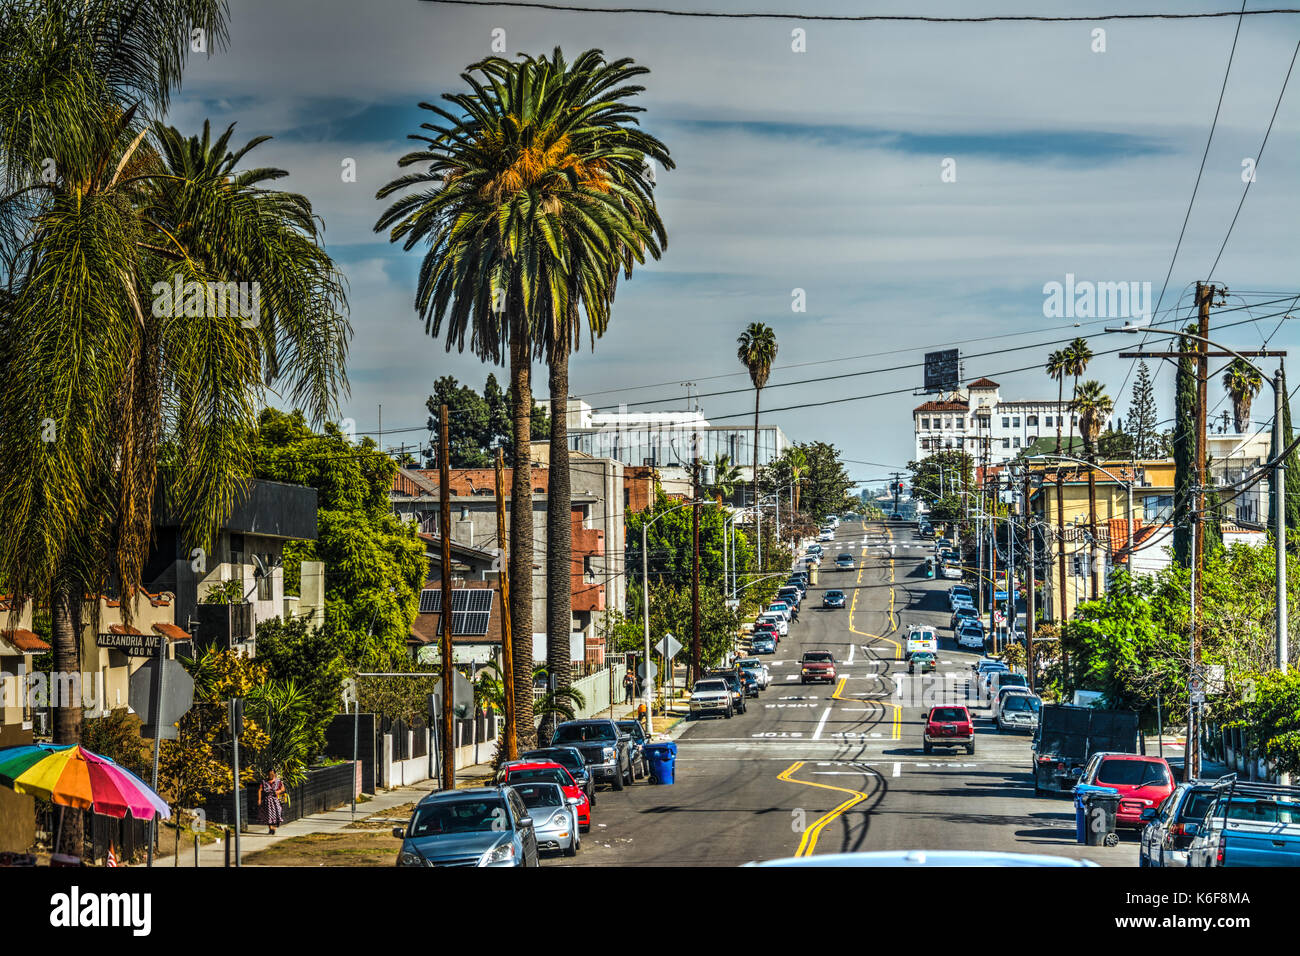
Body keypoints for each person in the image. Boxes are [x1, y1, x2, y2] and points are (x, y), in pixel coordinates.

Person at [258, 768, 286, 835]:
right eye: (269, 774)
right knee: (268, 815)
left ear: (275, 774)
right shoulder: (264, 782)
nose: (271, 775)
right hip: (267, 801)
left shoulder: (278, 781)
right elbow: (260, 790)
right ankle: (271, 828)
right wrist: (259, 799)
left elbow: (283, 789)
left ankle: (274, 828)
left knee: (277, 814)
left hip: (276, 800)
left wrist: (278, 791)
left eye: (272, 774)